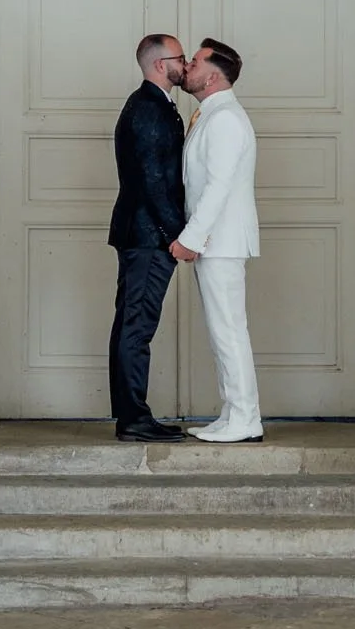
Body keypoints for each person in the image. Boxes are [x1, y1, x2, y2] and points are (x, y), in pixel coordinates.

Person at [170, 38, 264, 442]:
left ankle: (245, 418)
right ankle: (233, 414)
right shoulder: (212, 114)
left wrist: (191, 238)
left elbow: (218, 187)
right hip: (216, 241)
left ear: (211, 75)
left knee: (228, 330)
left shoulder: (225, 118)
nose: (186, 66)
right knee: (223, 329)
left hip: (221, 241)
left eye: (194, 61)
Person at [105, 34, 191, 442]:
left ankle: (131, 415)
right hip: (146, 238)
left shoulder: (156, 106)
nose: (186, 64)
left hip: (144, 235)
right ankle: (134, 419)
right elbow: (153, 181)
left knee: (132, 325)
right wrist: (179, 235)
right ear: (160, 65)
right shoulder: (148, 109)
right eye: (180, 58)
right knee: (135, 327)